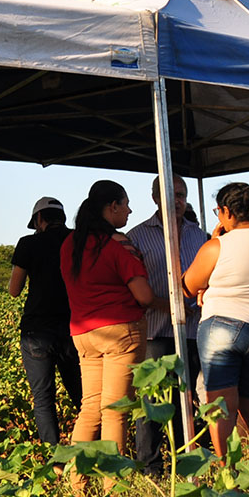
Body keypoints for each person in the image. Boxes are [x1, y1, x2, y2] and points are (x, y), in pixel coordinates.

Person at [181, 182, 249, 458]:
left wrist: (213, 242)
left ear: (227, 210)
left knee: (220, 406)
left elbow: (186, 287)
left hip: (223, 327)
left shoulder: (217, 246)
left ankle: (228, 475)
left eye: (218, 211)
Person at [60, 180, 164, 454]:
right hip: (120, 332)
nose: (129, 211)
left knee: (90, 407)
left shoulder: (70, 243)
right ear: (112, 206)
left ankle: (77, 481)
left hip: (83, 335)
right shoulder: (118, 245)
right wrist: (171, 306)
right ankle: (112, 487)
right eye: (126, 204)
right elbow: (143, 296)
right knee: (115, 411)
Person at [126, 175, 208, 473]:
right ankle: (149, 466)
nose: (177, 200)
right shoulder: (136, 236)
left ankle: (183, 465)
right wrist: (170, 307)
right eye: (170, 194)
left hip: (191, 332)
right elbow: (134, 288)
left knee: (184, 400)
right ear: (155, 197)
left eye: (182, 195)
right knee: (152, 402)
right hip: (155, 332)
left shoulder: (200, 236)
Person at [8, 196, 81, 444]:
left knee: (43, 398)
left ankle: (55, 460)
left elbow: (14, 289)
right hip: (74, 327)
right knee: (83, 395)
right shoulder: (77, 240)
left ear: (39, 219)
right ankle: (94, 448)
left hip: (36, 330)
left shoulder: (28, 243)